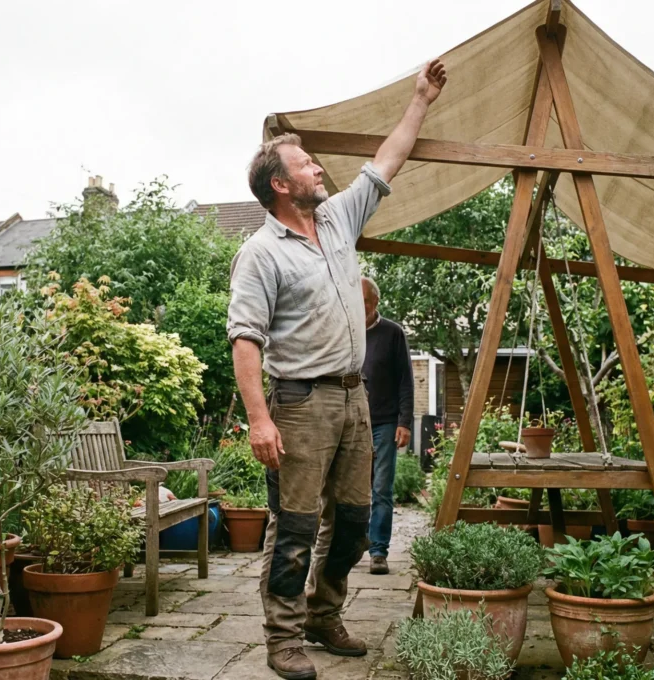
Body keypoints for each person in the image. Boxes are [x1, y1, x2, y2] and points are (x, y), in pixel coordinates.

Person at [227, 59, 447, 680]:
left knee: (352, 523)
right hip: (299, 403)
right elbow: (245, 341)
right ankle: (283, 638)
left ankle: (326, 613)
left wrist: (420, 100)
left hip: (356, 399)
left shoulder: (337, 219)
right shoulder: (261, 253)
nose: (317, 168)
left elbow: (388, 159)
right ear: (279, 184)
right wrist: (259, 420)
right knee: (294, 528)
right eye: (304, 165)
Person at [359, 277, 413, 576]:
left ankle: (378, 551)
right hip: (351, 422)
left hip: (384, 422)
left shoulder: (393, 333)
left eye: (363, 301)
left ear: (374, 302)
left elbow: (406, 379)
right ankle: (353, 545)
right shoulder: (345, 330)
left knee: (381, 488)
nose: (358, 306)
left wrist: (404, 421)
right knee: (350, 490)